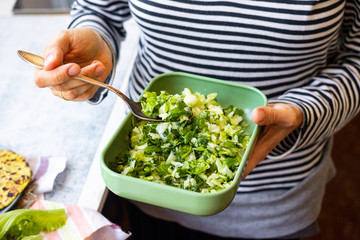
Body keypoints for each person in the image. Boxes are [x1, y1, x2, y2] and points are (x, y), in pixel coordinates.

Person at [34, 0, 360, 239]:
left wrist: (306, 110)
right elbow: (100, 8)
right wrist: (93, 46)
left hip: (275, 199)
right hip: (147, 184)